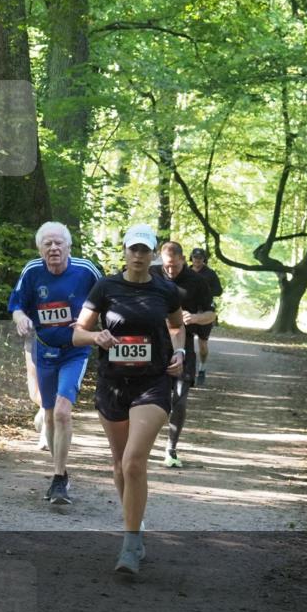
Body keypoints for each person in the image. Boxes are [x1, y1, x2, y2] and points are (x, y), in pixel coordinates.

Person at [73, 224, 185, 574]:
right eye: (132, 249)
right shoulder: (105, 287)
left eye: (144, 250)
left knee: (135, 461)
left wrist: (180, 352)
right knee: (120, 463)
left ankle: (131, 543)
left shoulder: (166, 291)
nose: (138, 255)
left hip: (153, 383)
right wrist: (96, 338)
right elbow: (77, 333)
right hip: (113, 384)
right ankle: (133, 528)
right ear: (124, 251)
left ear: (153, 254)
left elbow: (177, 327)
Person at [9, 223, 102, 505]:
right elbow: (16, 305)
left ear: (69, 247)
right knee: (48, 412)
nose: (54, 248)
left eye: (59, 243)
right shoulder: (32, 271)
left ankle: (59, 479)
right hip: (44, 349)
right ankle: (58, 469)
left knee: (62, 411)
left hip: (75, 349)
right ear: (40, 249)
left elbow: (110, 301)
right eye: (47, 244)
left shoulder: (87, 271)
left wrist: (93, 323)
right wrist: (21, 318)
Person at [152, 242, 216, 468]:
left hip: (183, 344)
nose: (170, 271)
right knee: (148, 396)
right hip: (152, 344)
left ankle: (171, 448)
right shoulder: (150, 274)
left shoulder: (197, 281)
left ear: (182, 260)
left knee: (179, 398)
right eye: (166, 266)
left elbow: (211, 314)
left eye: (175, 266)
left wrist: (195, 318)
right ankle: (140, 441)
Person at [189, 248, 223, 385]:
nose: (197, 260)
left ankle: (202, 368)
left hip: (204, 311)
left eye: (200, 257)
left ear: (204, 259)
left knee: (202, 345)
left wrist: (204, 291)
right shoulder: (185, 271)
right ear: (191, 258)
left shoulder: (210, 274)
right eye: (195, 257)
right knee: (186, 343)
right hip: (189, 311)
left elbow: (219, 291)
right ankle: (188, 372)